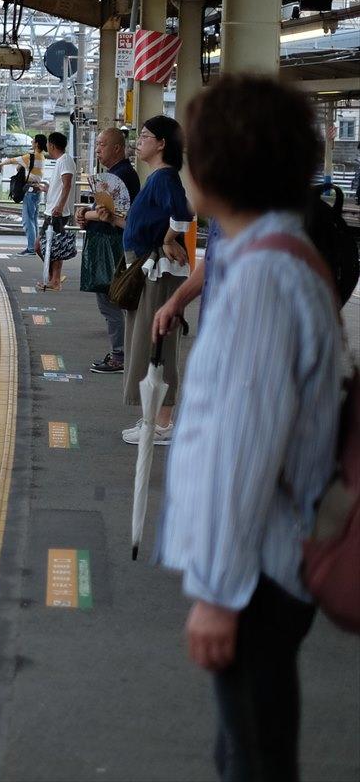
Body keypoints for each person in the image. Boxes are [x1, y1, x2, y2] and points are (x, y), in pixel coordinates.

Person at [159, 75, 346, 781]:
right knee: (245, 750)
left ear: (221, 165)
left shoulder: (266, 278)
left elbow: (244, 443)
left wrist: (217, 590)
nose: (182, 168)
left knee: (256, 760)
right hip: (267, 564)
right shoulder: (277, 257)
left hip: (258, 572)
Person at [118, 116, 193, 444]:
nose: (139, 140)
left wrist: (167, 239)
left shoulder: (164, 179)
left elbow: (184, 215)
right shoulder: (158, 177)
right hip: (149, 268)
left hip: (159, 270)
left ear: (162, 143)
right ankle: (153, 418)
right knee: (147, 340)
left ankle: (162, 423)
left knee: (156, 341)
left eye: (145, 136)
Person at [78, 127, 139, 373]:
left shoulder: (122, 175)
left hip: (111, 246)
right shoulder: (118, 174)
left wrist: (84, 213)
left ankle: (120, 356)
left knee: (110, 302)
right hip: (113, 243)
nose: (98, 149)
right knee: (113, 302)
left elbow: (110, 215)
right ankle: (122, 353)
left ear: (116, 148)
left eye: (102, 145)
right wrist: (87, 214)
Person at [37, 130, 76, 290]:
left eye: (48, 144)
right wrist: (48, 189)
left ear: (52, 145)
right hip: (54, 210)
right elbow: (62, 186)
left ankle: (55, 280)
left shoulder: (65, 160)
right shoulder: (63, 160)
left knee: (44, 246)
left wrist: (59, 206)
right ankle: (54, 279)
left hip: (57, 212)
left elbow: (67, 184)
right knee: (50, 246)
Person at [0, 134, 46, 255]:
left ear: (37, 144)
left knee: (27, 220)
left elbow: (11, 160)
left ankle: (31, 248)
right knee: (33, 220)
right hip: (37, 190)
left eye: (33, 140)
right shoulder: (41, 156)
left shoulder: (30, 156)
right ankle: (35, 247)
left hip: (30, 191)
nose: (31, 141)